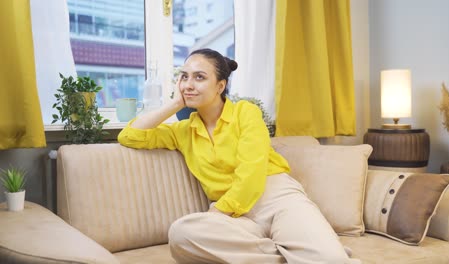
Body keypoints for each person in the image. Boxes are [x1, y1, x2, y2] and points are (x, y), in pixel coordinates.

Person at [118, 48, 361, 264]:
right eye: (184, 77)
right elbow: (129, 136)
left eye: (199, 77)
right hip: (236, 219)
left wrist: (216, 214)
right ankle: (293, 252)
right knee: (182, 233)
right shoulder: (182, 132)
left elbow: (251, 173)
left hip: (274, 198)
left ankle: (312, 251)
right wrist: (174, 104)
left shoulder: (246, 113)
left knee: (332, 261)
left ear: (220, 86)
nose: (188, 84)